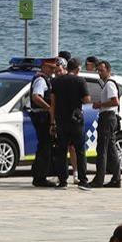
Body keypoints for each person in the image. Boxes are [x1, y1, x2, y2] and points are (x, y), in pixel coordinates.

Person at [50, 58, 91, 188]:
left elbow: (53, 104)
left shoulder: (56, 82)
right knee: (80, 151)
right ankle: (83, 180)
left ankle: (63, 181)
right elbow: (86, 100)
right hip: (76, 121)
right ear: (78, 69)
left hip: (61, 121)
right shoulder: (80, 81)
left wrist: (52, 122)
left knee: (61, 151)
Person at [89, 60, 122, 188]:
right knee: (110, 149)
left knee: (102, 149)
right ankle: (116, 178)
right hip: (108, 117)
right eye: (98, 70)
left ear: (108, 70)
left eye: (101, 70)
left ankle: (99, 179)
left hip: (107, 117)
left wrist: (100, 105)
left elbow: (115, 102)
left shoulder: (109, 84)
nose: (99, 73)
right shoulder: (107, 84)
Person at [29, 59, 57, 187]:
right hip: (41, 116)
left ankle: (39, 174)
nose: (53, 71)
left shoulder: (44, 79)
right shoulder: (41, 80)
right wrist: (48, 107)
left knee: (44, 146)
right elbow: (36, 97)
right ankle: (40, 177)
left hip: (41, 115)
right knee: (44, 146)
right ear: (44, 67)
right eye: (51, 68)